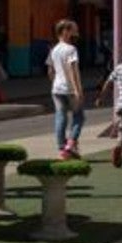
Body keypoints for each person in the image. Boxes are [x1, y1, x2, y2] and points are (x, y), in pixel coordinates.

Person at [47, 19, 85, 160]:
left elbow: (50, 71)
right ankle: (70, 144)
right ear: (64, 31)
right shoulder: (71, 49)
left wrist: (55, 83)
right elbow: (73, 71)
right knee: (79, 117)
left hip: (57, 88)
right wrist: (78, 90)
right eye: (72, 29)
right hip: (69, 89)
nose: (74, 32)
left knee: (60, 117)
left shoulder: (54, 49)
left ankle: (62, 148)